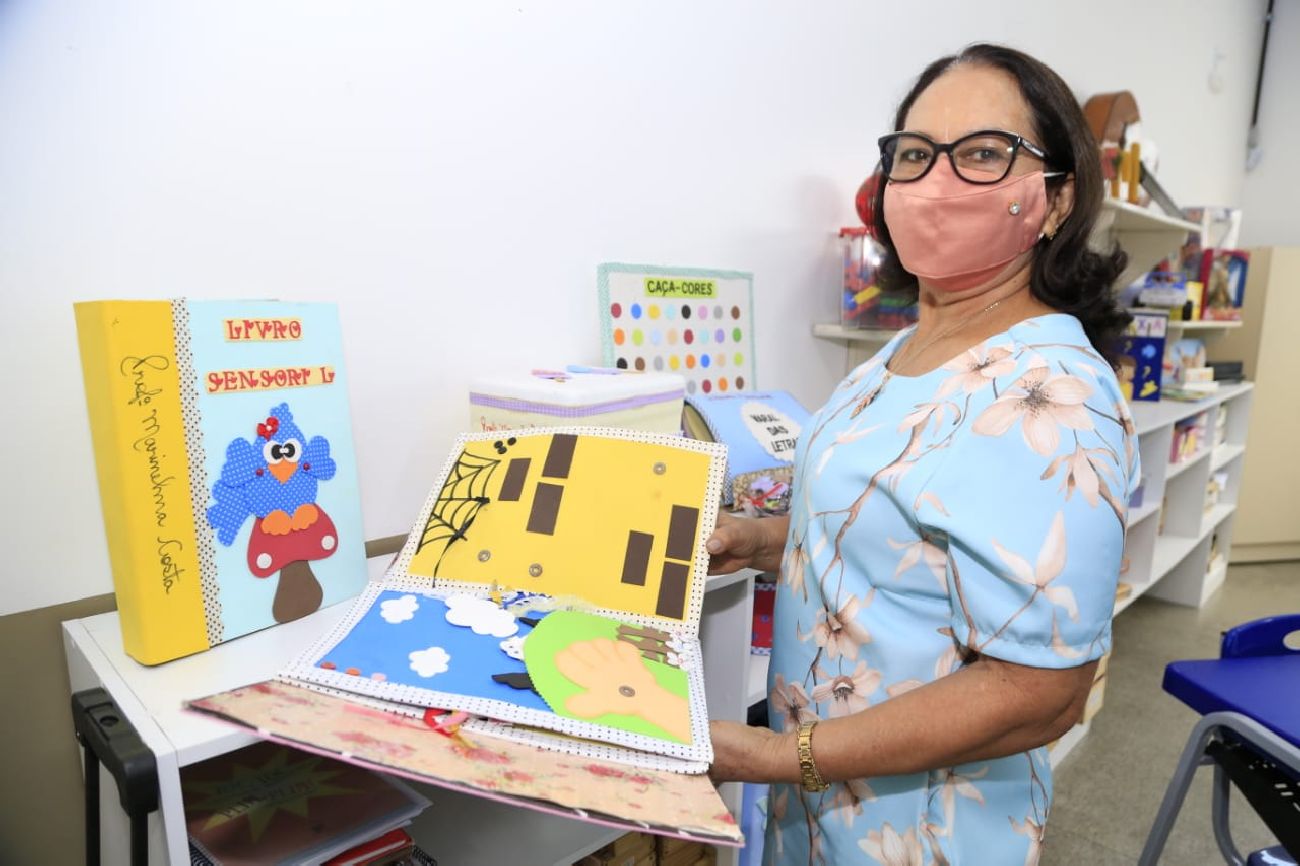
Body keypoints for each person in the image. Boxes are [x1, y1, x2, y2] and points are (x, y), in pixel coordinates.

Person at [706, 43, 1139, 865]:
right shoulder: (900, 354)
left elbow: (1039, 693)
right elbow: (890, 533)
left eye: (983, 153)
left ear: (1056, 198)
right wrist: (756, 541)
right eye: (914, 154)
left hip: (922, 829)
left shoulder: (1051, 397)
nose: (937, 181)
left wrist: (779, 756)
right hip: (822, 805)